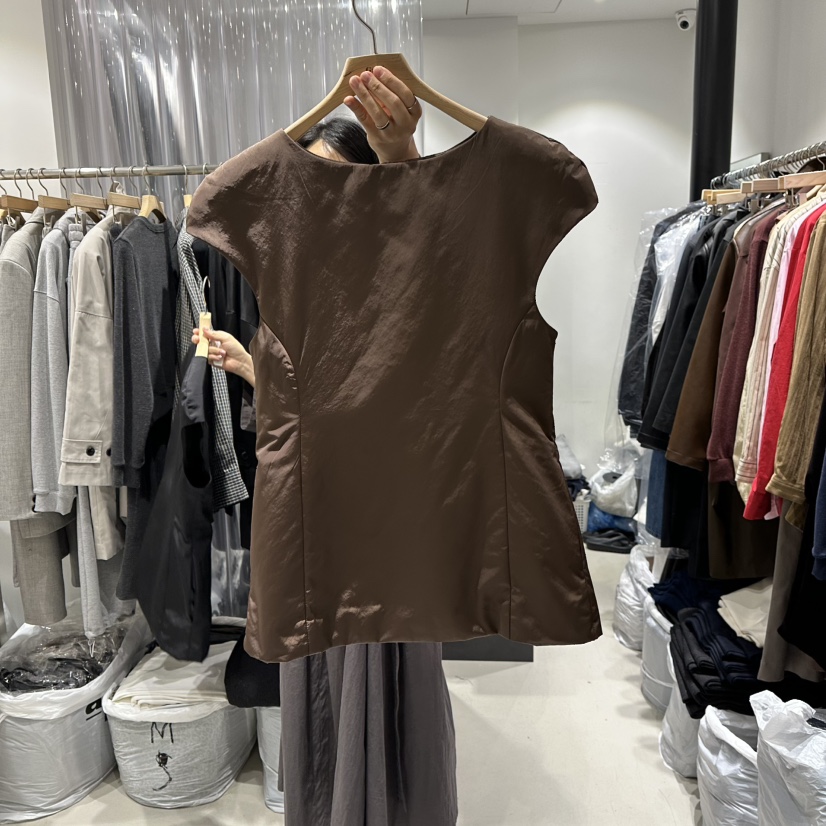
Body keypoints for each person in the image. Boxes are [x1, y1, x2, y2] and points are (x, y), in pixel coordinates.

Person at [194, 66, 459, 826]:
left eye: (340, 184)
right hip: (310, 526)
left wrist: (404, 156)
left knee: (385, 694)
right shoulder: (301, 285)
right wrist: (251, 368)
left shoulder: (397, 279)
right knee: (320, 702)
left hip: (381, 533)